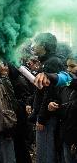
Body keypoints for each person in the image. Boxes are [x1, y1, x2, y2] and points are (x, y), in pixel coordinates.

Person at [31, 33, 65, 163]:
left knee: (45, 152)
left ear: (44, 45)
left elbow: (49, 94)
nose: (33, 47)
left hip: (48, 118)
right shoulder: (50, 61)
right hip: (48, 115)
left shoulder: (51, 63)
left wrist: (41, 118)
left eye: (36, 43)